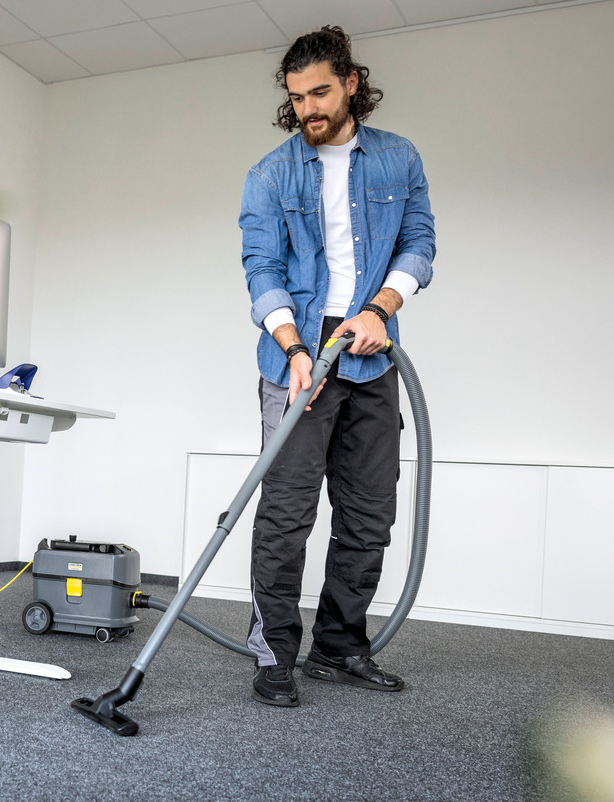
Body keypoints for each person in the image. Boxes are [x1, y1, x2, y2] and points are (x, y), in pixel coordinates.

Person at [238, 25, 435, 707]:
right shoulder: (269, 174)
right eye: (297, 98)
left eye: (320, 92)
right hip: (297, 354)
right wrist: (293, 347)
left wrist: (381, 308)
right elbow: (261, 270)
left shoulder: (398, 159)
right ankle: (273, 654)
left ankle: (339, 646)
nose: (309, 109)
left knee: (368, 514)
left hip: (373, 352)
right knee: (286, 515)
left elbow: (420, 245)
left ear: (351, 83)